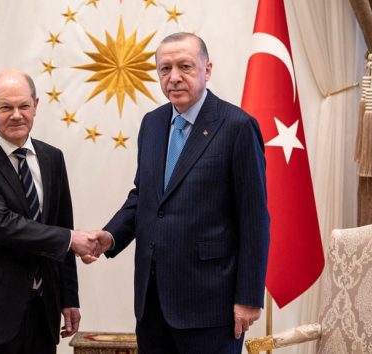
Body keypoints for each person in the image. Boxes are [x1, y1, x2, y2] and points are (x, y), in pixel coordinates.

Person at [91, 33, 270, 353]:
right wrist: (111, 235)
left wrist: (248, 298)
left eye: (185, 66)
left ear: (207, 69)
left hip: (211, 306)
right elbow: (144, 197)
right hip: (153, 302)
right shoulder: (153, 124)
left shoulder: (237, 127)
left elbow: (254, 218)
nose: (173, 77)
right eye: (164, 69)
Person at [0, 69, 98, 354]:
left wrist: (68, 297)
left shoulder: (52, 157)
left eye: (23, 106)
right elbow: (3, 225)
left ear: (36, 106)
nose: (16, 115)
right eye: (5, 107)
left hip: (42, 310)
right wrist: (71, 239)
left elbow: (62, 223)